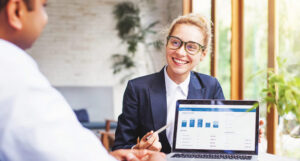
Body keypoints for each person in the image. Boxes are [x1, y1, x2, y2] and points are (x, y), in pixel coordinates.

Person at [0, 0, 166, 161]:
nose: (45, 18)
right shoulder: (13, 70)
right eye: (43, 7)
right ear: (16, 11)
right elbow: (56, 150)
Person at [112, 13, 225, 154]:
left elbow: (222, 138)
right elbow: (120, 148)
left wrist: (247, 136)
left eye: (191, 47)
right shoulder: (137, 89)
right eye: (175, 42)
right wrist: (139, 149)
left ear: (203, 54)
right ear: (167, 43)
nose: (180, 52)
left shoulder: (211, 86)